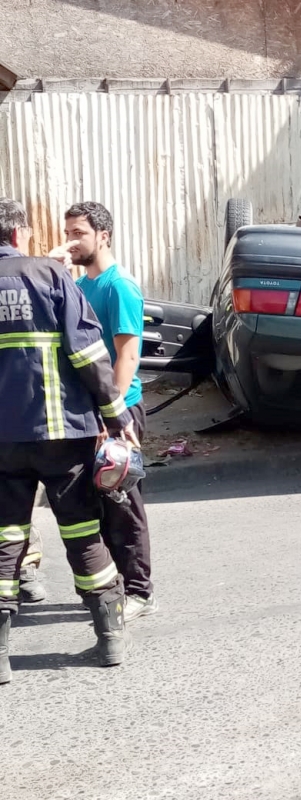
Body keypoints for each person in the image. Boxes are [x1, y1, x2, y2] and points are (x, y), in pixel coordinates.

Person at [0, 197, 139, 683]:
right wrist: (116, 416)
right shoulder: (51, 276)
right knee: (82, 532)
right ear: (19, 236)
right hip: (63, 433)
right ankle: (110, 639)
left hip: (3, 440)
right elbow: (88, 355)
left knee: (5, 537)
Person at [61, 201, 157, 623]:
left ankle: (139, 591)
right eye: (68, 232)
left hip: (119, 412)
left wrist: (111, 417)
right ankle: (114, 582)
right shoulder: (82, 285)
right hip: (92, 413)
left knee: (124, 503)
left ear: (103, 235)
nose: (70, 241)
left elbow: (128, 355)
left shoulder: (120, 287)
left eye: (78, 232)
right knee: (99, 506)